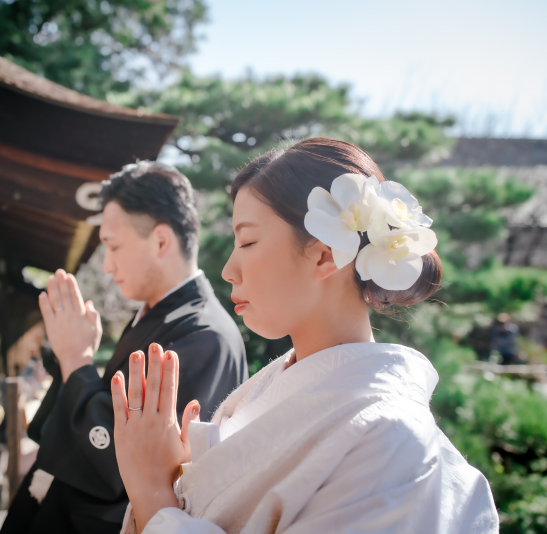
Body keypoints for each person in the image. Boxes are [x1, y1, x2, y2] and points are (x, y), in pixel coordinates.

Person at [110, 138, 499, 533]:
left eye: (248, 241)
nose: (228, 270)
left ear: (326, 254)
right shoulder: (273, 387)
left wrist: (152, 491)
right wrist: (182, 477)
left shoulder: (392, 437)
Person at [0, 161, 248, 534]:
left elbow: (129, 472)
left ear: (161, 241)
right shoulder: (157, 316)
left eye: (113, 246)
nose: (106, 266)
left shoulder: (207, 337)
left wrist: (77, 361)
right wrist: (69, 360)